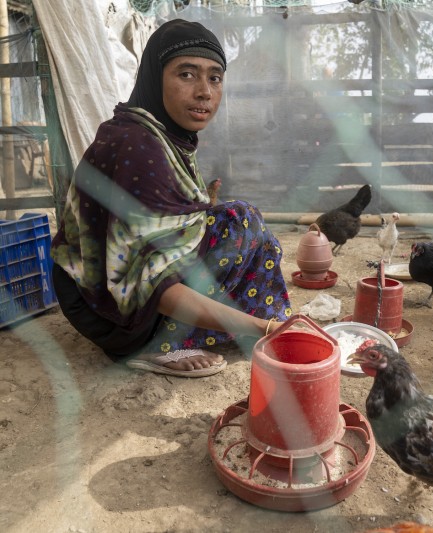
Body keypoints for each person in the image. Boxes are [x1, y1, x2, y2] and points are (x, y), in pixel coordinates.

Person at [51, 19, 292, 377]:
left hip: (114, 282)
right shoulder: (137, 144)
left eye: (214, 77)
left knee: (241, 220)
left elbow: (161, 223)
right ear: (154, 77)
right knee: (238, 223)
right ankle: (154, 346)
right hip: (109, 309)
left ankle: (220, 324)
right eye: (186, 74)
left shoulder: (162, 133)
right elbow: (151, 284)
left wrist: (200, 209)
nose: (204, 92)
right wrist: (264, 330)